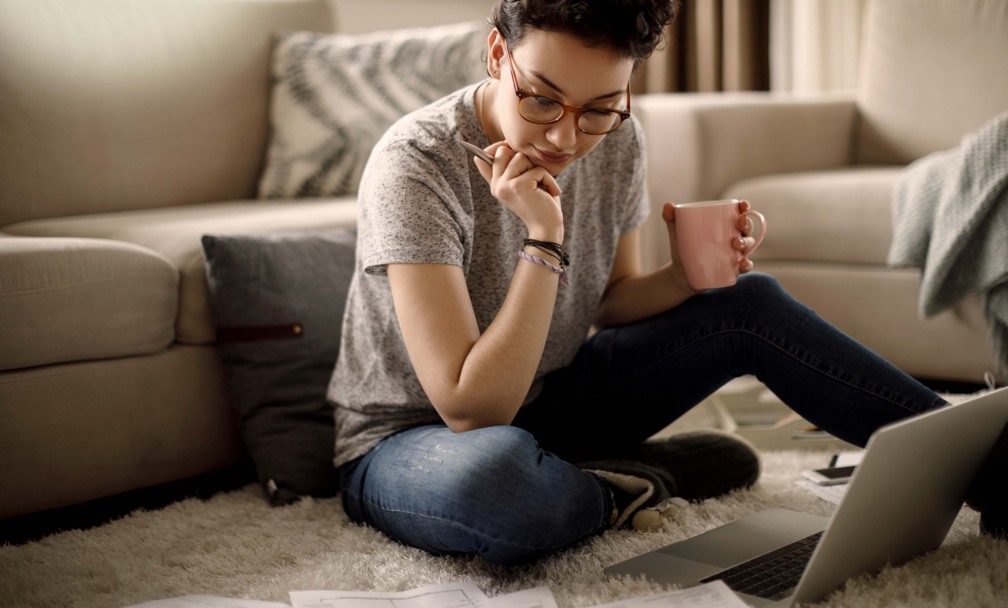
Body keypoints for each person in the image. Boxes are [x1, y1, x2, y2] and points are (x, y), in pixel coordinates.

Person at [327, 0, 948, 565]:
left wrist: (683, 278)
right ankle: (627, 482)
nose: (565, 138)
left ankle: (993, 457)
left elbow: (613, 303)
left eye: (600, 109)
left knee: (745, 303)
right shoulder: (416, 163)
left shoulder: (619, 142)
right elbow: (472, 409)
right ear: (498, 55)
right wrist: (544, 238)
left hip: (555, 399)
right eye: (541, 99)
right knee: (497, 486)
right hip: (412, 441)